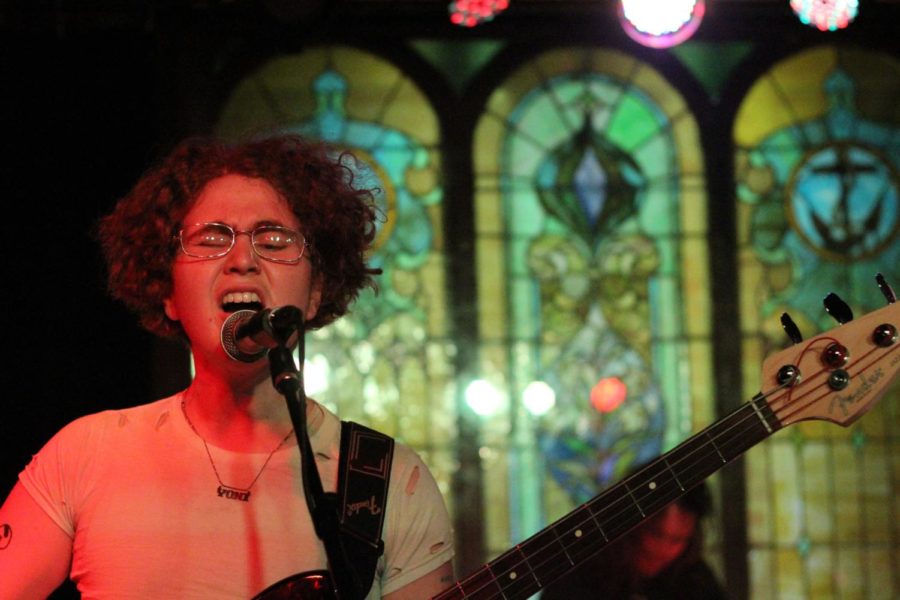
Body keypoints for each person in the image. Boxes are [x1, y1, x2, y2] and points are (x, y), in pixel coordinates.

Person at [0, 135, 455, 599]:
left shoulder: (388, 481)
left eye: (274, 241)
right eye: (212, 239)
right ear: (168, 292)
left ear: (316, 291)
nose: (243, 260)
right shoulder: (86, 455)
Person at [541, 478, 727, 600]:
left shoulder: (695, 580)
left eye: (677, 540)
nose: (662, 549)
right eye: (656, 534)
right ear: (632, 522)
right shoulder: (579, 574)